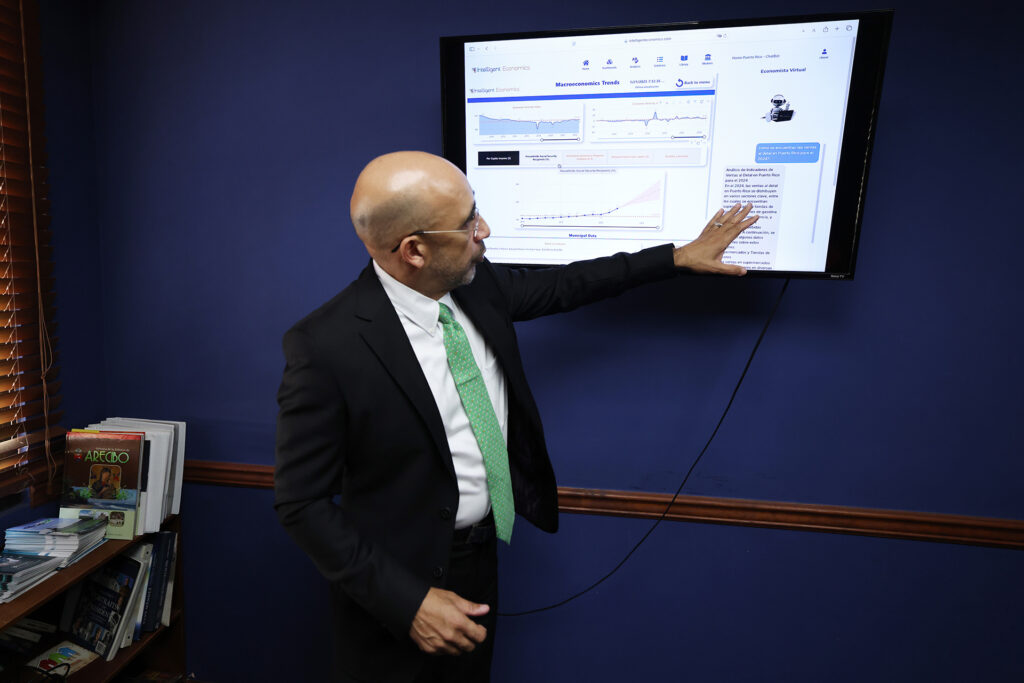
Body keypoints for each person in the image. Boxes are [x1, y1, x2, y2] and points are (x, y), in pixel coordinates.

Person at [274, 151, 758, 682]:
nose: (485, 230)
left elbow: (570, 284)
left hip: (479, 559)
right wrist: (407, 602)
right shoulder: (326, 345)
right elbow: (302, 504)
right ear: (414, 250)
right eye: (467, 224)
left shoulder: (479, 287)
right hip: (396, 586)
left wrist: (676, 257)